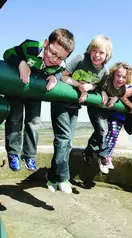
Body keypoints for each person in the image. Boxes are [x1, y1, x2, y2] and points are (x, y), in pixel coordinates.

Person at [46, 35, 112, 194]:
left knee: (67, 142)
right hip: (60, 102)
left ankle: (52, 176)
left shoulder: (104, 71)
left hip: (75, 106)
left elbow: (98, 86)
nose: (97, 55)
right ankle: (63, 177)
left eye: (101, 52)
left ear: (107, 55)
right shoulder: (80, 58)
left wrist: (97, 90)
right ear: (90, 50)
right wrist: (80, 86)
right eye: (94, 51)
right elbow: (63, 75)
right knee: (64, 139)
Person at [3, 28, 75, 172]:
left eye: (60, 58)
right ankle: (13, 154)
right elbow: (8, 53)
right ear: (46, 43)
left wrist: (56, 77)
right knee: (14, 118)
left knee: (34, 123)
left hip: (34, 93)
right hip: (16, 89)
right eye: (53, 52)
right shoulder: (31, 47)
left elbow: (61, 72)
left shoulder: (60, 64)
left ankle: (29, 155)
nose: (54, 59)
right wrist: (21, 63)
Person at [97, 62, 132, 174]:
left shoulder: (123, 88)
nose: (121, 79)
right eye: (118, 75)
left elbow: (120, 94)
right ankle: (103, 157)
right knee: (109, 133)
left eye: (124, 77)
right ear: (113, 74)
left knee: (114, 136)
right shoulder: (107, 81)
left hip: (119, 115)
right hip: (108, 113)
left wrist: (115, 98)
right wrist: (103, 93)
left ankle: (108, 156)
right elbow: (99, 86)